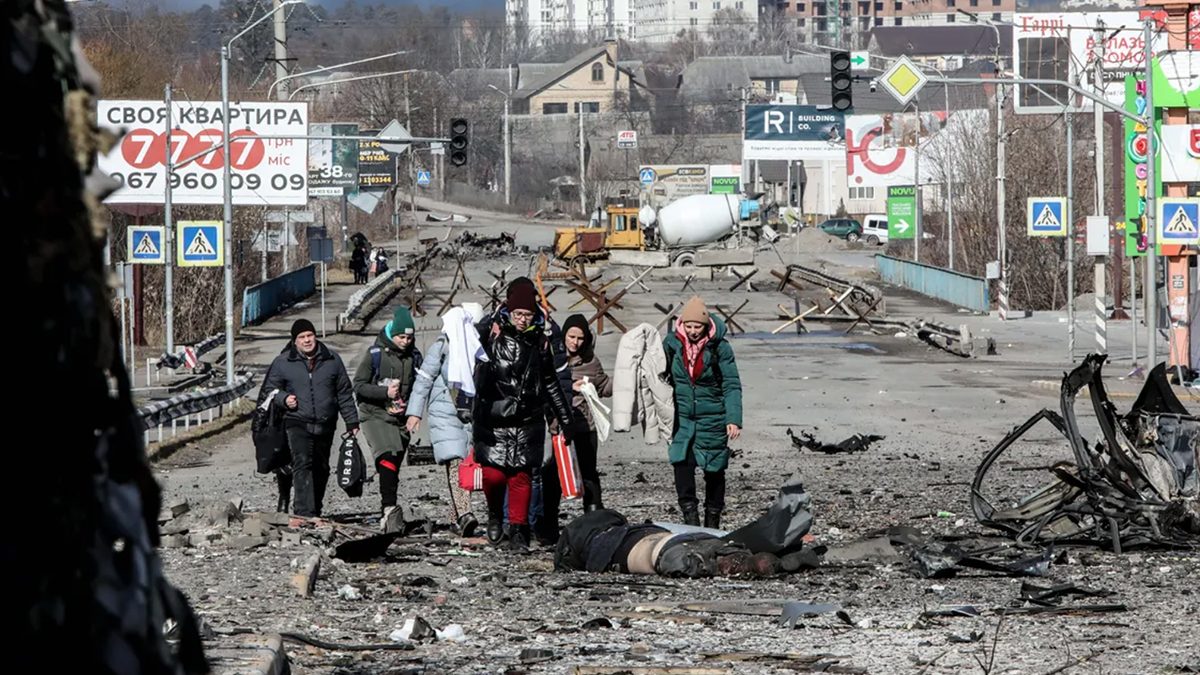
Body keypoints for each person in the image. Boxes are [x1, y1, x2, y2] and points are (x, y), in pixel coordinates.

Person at [473, 280, 574, 551]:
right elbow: (468, 340)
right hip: (492, 417)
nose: (522, 319)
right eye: (517, 314)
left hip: (527, 419)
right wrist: (490, 322)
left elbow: (551, 380)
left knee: (521, 476)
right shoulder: (491, 333)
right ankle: (495, 514)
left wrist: (565, 417)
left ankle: (519, 530)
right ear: (508, 310)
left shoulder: (541, 340)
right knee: (493, 475)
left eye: (527, 315)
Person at [264, 319, 360, 517]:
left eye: (310, 336)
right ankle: (303, 513)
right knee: (302, 464)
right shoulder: (283, 362)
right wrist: (283, 398)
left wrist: (351, 421)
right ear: (295, 341)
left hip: (325, 422)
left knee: (321, 468)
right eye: (302, 337)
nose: (307, 340)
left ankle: (315, 509)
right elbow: (270, 390)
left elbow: (343, 392)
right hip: (296, 421)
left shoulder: (332, 360)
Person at [406, 303, 487, 537]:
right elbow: (423, 380)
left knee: (467, 465)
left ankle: (455, 518)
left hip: (470, 414)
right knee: (455, 462)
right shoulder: (442, 345)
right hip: (444, 412)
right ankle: (465, 513)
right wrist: (414, 412)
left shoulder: (477, 347)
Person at [662, 296, 742, 530]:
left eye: (698, 326)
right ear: (682, 324)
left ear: (706, 325)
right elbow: (658, 370)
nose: (693, 331)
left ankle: (712, 522)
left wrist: (733, 419)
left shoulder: (720, 347)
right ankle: (690, 521)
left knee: (714, 469)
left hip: (713, 418)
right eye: (689, 326)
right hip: (683, 418)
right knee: (682, 465)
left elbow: (731, 384)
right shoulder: (672, 344)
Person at [538, 313, 612, 544]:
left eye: (580, 338)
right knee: (553, 476)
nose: (575, 343)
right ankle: (548, 527)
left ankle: (593, 523)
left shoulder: (591, 362)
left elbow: (604, 387)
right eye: (571, 336)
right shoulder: (553, 358)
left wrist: (629, 378)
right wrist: (572, 386)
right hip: (559, 429)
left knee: (589, 475)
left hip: (585, 427)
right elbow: (544, 386)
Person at [353, 307, 420, 532]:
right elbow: (359, 386)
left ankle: (390, 506)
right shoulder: (375, 354)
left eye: (409, 338)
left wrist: (414, 412)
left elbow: (419, 388)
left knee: (393, 465)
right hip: (374, 414)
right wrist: (385, 394)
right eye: (401, 337)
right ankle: (388, 509)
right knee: (387, 456)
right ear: (392, 334)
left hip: (399, 419)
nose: (405, 341)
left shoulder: (414, 357)